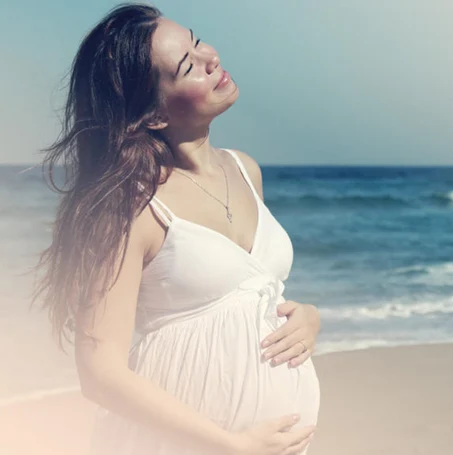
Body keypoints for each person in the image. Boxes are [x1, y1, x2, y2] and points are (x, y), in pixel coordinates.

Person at [30, 3, 321, 454]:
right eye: (188, 66)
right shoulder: (131, 205)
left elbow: (245, 292)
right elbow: (99, 372)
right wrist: (229, 444)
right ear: (153, 116)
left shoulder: (245, 169)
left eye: (196, 40)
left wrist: (306, 318)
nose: (211, 59)